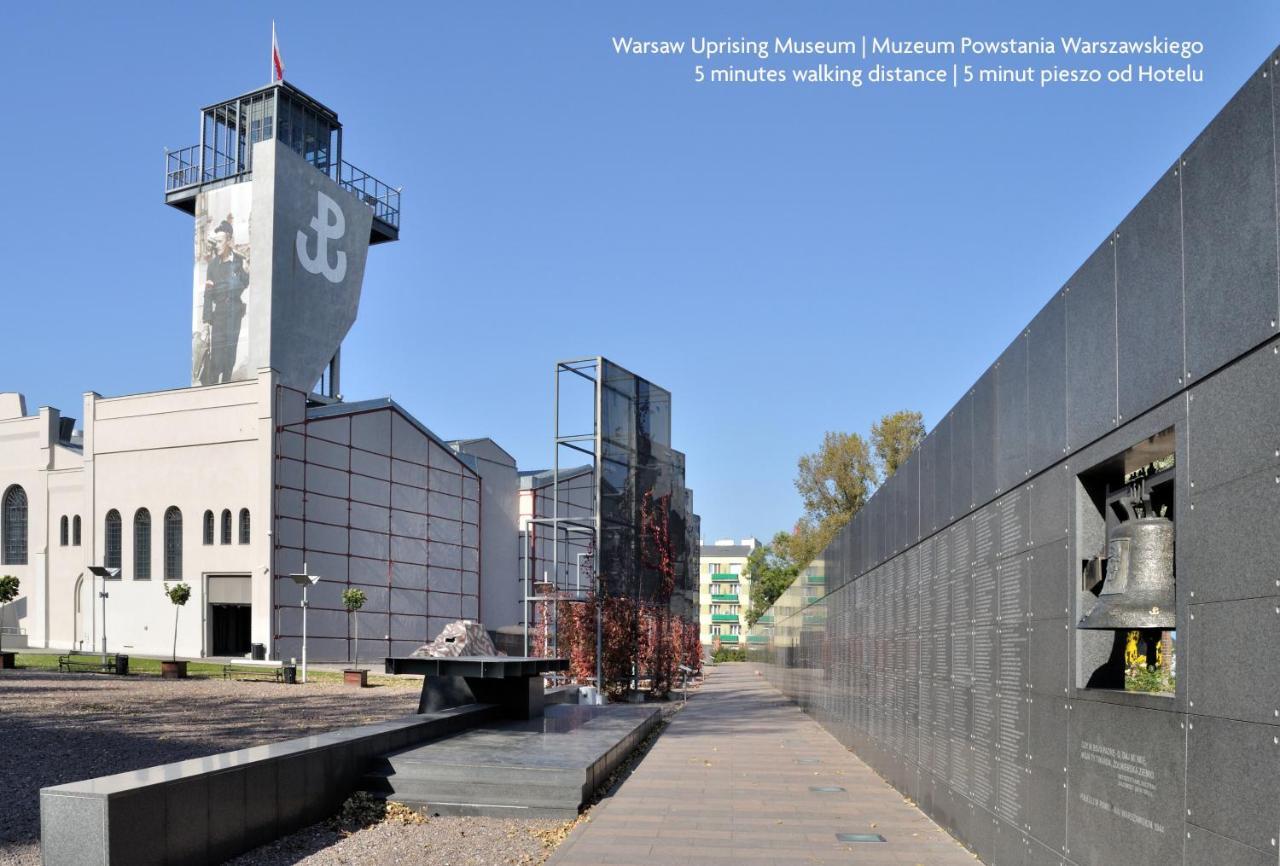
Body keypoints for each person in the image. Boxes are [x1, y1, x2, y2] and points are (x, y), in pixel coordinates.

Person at [200, 216, 249, 384]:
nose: (217, 246)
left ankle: (227, 387)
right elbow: (207, 294)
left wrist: (245, 273)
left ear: (229, 241)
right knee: (216, 359)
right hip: (219, 314)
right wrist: (206, 321)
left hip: (235, 313)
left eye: (220, 241)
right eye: (216, 242)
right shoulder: (213, 265)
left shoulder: (239, 261)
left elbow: (245, 284)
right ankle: (213, 392)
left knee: (230, 356)